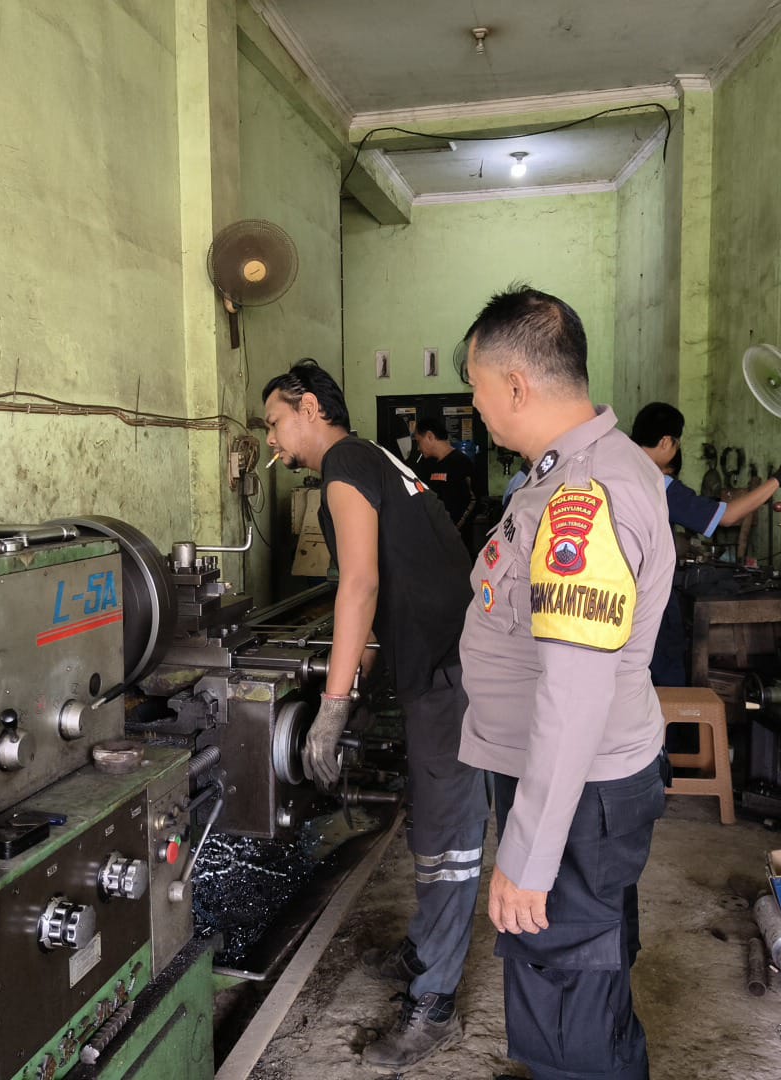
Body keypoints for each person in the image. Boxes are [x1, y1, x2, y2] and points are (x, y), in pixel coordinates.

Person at [455, 286, 675, 1080]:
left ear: (516, 384)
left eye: (478, 387)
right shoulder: (569, 474)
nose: (476, 406)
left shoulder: (586, 496)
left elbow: (575, 693)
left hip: (574, 794)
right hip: (579, 783)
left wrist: (528, 854)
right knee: (590, 977)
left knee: (567, 1000)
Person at [261, 360, 489, 1070]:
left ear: (308, 408)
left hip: (450, 672)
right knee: (431, 817)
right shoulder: (375, 459)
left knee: (449, 836)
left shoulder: (345, 464)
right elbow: (389, 583)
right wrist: (357, 671)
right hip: (440, 661)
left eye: (273, 422)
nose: (271, 440)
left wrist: (331, 710)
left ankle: (435, 1003)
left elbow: (358, 584)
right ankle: (425, 949)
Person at [629, 402, 781, 685]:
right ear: (665, 442)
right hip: (648, 601)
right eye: (677, 443)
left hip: (610, 598)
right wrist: (779, 479)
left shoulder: (612, 470)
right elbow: (728, 516)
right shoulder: (656, 483)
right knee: (665, 682)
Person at [413, 415, 478, 541]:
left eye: (419, 441)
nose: (418, 448)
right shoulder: (427, 465)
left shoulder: (461, 463)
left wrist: (452, 531)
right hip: (435, 538)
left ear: (430, 436)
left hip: (457, 540)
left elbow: (473, 501)